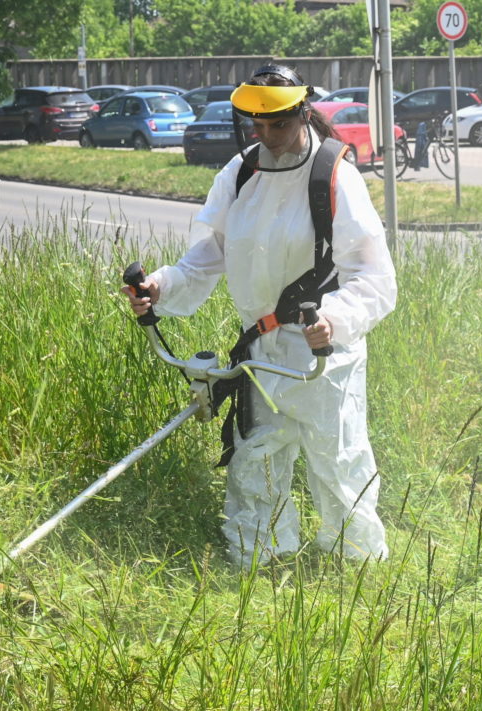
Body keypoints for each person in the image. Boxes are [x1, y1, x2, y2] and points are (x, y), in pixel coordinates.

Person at [124, 64, 396, 567]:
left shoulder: (334, 175)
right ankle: (259, 564)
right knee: (256, 462)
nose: (267, 137)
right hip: (262, 352)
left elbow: (375, 280)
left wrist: (332, 320)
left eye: (278, 125)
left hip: (322, 354)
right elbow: (205, 260)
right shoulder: (241, 173)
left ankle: (357, 566)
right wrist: (159, 287)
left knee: (337, 464)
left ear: (302, 113)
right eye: (257, 126)